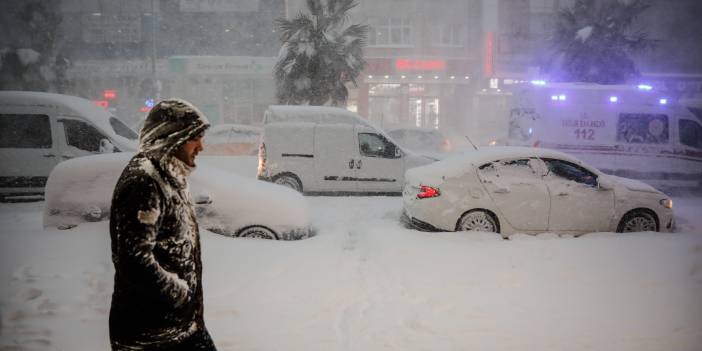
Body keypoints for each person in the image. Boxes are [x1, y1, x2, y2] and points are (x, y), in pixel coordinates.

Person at [108, 99, 217, 350]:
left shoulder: (170, 176)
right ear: (172, 137)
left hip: (182, 325)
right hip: (151, 333)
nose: (201, 146)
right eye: (195, 138)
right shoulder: (144, 181)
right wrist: (178, 293)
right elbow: (133, 257)